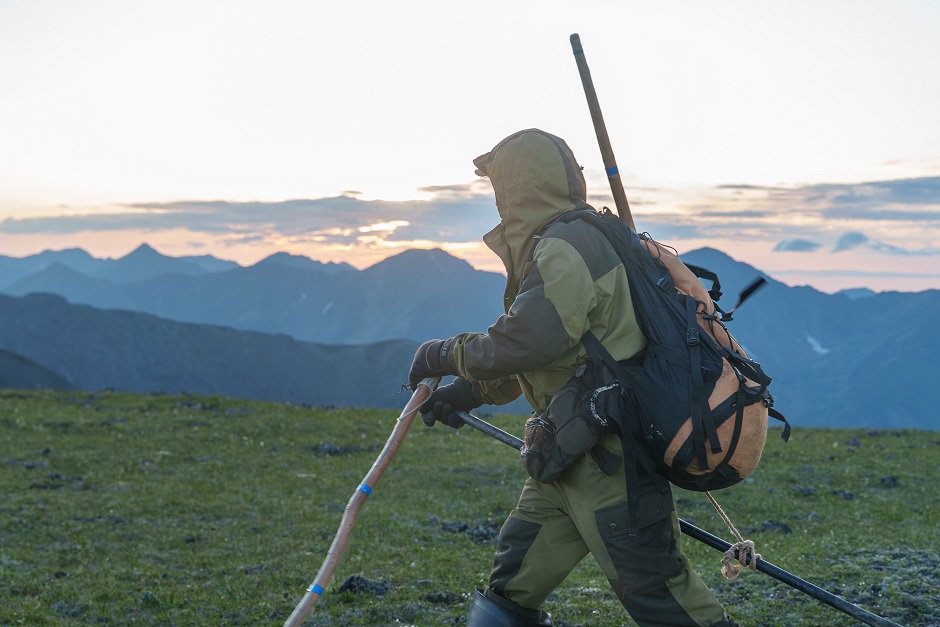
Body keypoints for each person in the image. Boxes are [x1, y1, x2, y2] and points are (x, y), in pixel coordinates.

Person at [408, 129, 736, 626]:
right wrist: (469, 393)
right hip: (564, 453)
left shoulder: (567, 246)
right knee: (512, 586)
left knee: (661, 598)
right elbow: (560, 354)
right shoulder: (569, 239)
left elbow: (530, 339)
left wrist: (442, 354)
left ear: (517, 186)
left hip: (610, 463)